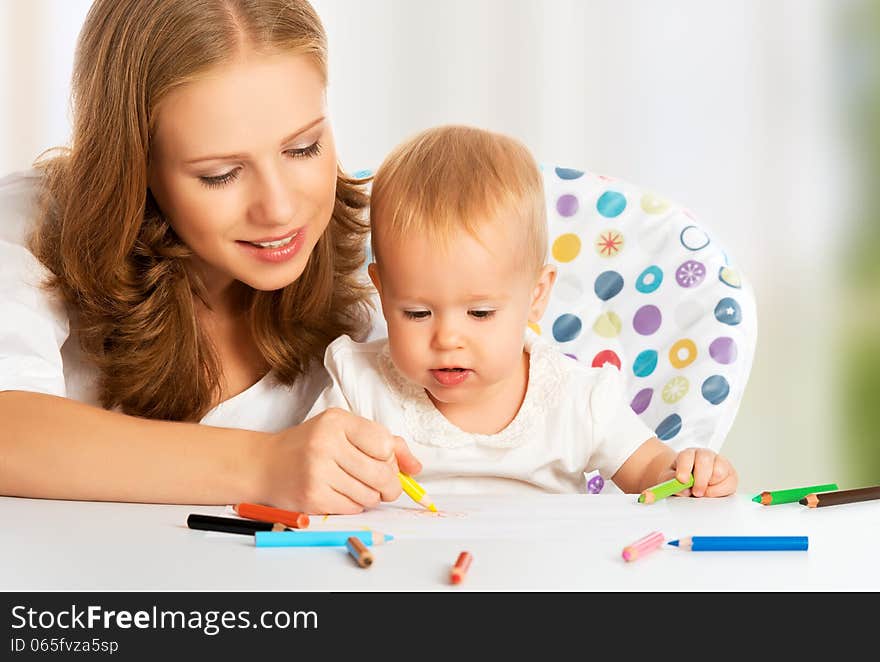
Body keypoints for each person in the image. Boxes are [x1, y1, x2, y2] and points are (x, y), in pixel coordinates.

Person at [0, 0, 422, 514]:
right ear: (136, 165)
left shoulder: (388, 243)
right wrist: (265, 466)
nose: (280, 209)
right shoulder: (28, 223)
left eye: (304, 148)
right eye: (220, 174)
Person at [305, 125, 739, 497]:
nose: (447, 339)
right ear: (383, 293)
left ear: (536, 295)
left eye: (480, 314)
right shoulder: (359, 389)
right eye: (417, 313)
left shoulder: (578, 398)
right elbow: (315, 471)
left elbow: (648, 471)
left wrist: (686, 474)